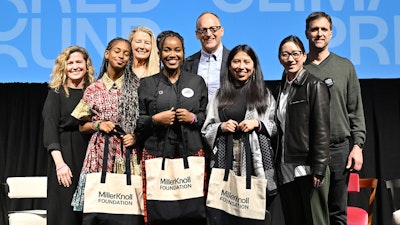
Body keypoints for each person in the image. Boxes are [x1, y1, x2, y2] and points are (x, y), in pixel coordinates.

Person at [136, 30, 208, 225]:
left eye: (177, 50)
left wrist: (192, 118)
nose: (172, 55)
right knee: (158, 213)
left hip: (191, 153)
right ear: (159, 54)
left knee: (191, 212)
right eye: (167, 50)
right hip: (156, 153)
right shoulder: (147, 84)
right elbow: (138, 121)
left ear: (184, 53)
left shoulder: (197, 82)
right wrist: (155, 120)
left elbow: (205, 117)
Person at [202, 44, 278, 224]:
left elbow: (275, 127)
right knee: (225, 211)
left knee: (252, 211)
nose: (241, 66)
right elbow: (206, 128)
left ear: (254, 66)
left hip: (254, 160)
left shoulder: (263, 94)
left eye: (246, 62)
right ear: (229, 66)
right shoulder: (220, 95)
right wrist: (221, 127)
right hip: (226, 158)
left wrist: (257, 124)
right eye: (236, 61)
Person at [304, 11, 367, 225]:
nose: (319, 34)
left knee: (338, 212)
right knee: (312, 211)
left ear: (331, 34)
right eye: (314, 29)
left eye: (324, 29)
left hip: (340, 148)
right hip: (308, 151)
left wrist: (357, 145)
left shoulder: (345, 67)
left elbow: (355, 109)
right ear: (307, 33)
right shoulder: (298, 68)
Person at [70, 37, 141, 211]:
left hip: (127, 152)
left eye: (126, 54)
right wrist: (98, 124)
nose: (122, 56)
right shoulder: (93, 89)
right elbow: (81, 125)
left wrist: (136, 136)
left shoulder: (137, 86)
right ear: (107, 54)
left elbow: (145, 121)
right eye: (117, 52)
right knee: (99, 206)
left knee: (127, 207)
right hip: (100, 153)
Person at [275, 35, 330, 225]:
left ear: (304, 56)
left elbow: (322, 130)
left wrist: (320, 167)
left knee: (315, 220)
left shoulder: (315, 85)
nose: (290, 59)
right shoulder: (281, 88)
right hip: (285, 165)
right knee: (294, 219)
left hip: (307, 166)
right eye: (285, 54)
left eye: (295, 53)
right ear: (279, 58)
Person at [42, 45, 95, 225]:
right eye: (70, 63)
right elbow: (50, 132)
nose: (74, 66)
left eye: (79, 62)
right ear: (63, 67)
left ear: (87, 65)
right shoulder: (56, 94)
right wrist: (60, 165)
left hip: (89, 156)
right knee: (65, 212)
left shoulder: (93, 93)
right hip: (65, 157)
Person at [182, 11, 230, 99]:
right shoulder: (186, 64)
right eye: (203, 30)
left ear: (221, 31)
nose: (208, 34)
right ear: (197, 34)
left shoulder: (234, 60)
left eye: (213, 29)